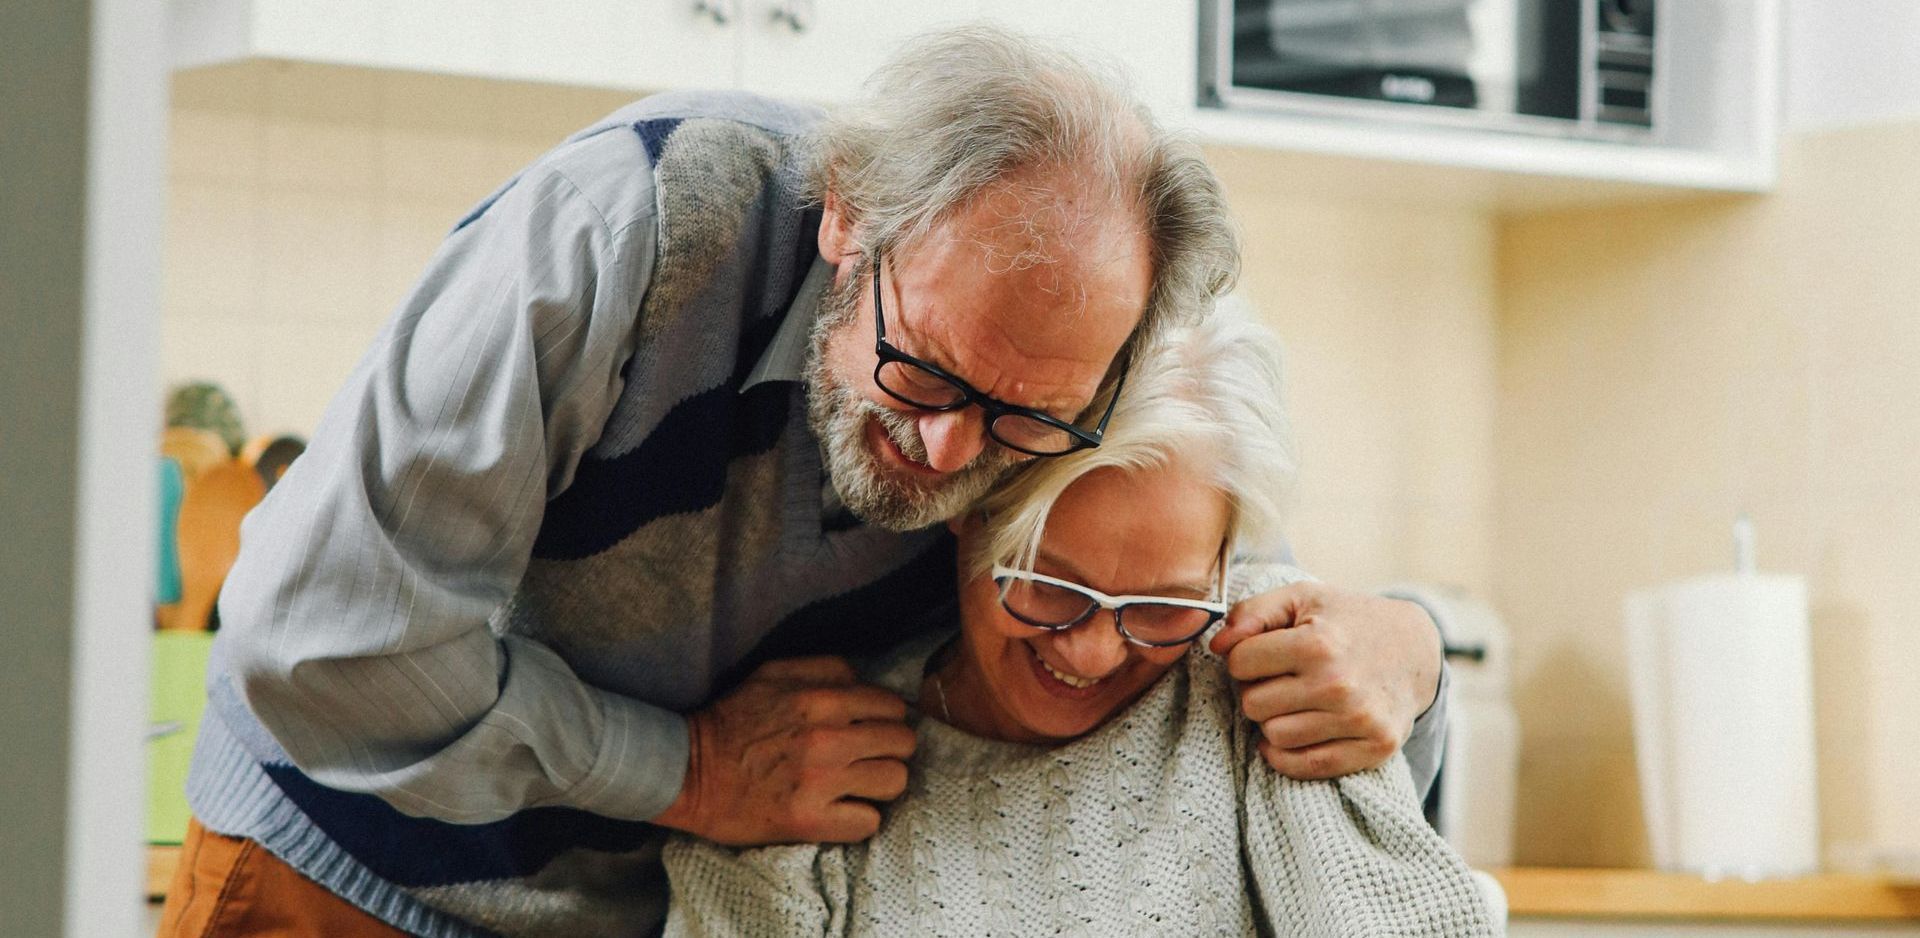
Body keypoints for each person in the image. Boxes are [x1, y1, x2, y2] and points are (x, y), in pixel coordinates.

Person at [160, 25, 1450, 938]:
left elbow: (1179, 558)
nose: (953, 458)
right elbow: (326, 637)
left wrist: (1412, 645)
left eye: (1025, 419)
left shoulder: (1076, 370)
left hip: (630, 910)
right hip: (346, 877)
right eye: (924, 374)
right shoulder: (636, 225)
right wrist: (690, 770)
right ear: (847, 216)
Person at [660, 304, 1497, 937]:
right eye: (1047, 587)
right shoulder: (809, 774)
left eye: (1163, 606)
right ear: (963, 506)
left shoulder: (1265, 675)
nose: (1095, 654)